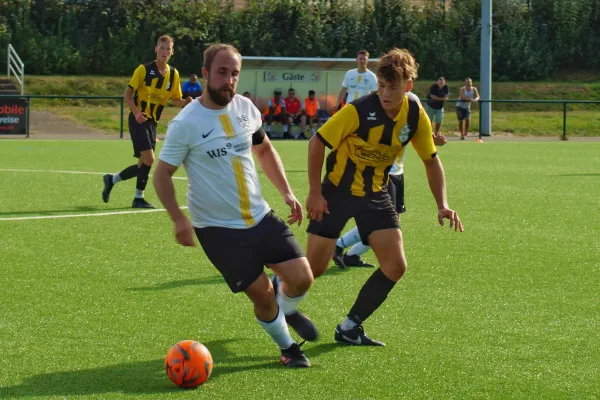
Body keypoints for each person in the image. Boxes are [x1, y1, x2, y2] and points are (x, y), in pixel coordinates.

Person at [152, 43, 317, 368]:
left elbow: (265, 151)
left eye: (234, 73)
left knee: (303, 278)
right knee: (262, 296)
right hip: (218, 230)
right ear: (205, 75)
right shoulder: (186, 123)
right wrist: (178, 219)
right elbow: (162, 176)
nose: (229, 80)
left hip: (260, 216)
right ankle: (288, 347)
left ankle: (286, 309)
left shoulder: (246, 108)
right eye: (222, 72)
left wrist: (286, 192)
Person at [302, 48, 463, 346]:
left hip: (375, 192)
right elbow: (317, 143)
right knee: (313, 269)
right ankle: (279, 290)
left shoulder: (415, 115)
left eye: (393, 87)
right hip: (336, 192)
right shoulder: (359, 110)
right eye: (381, 86)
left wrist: (443, 205)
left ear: (408, 86)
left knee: (395, 266)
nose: (386, 93)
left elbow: (431, 159)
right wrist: (314, 193)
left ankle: (350, 327)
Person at [333, 130, 448, 268]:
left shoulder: (414, 113)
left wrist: (433, 141)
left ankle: (351, 255)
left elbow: (418, 134)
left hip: (397, 173)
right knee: (385, 225)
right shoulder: (381, 110)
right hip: (381, 174)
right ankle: (338, 245)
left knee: (392, 224)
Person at [101, 35, 192, 208]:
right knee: (149, 159)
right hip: (138, 120)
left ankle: (111, 180)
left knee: (143, 164)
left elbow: (175, 100)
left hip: (152, 123)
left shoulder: (173, 74)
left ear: (172, 52)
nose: (165, 51)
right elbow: (127, 94)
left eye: (168, 49)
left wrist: (185, 102)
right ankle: (138, 198)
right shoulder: (143, 69)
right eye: (162, 48)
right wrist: (136, 113)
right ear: (156, 49)